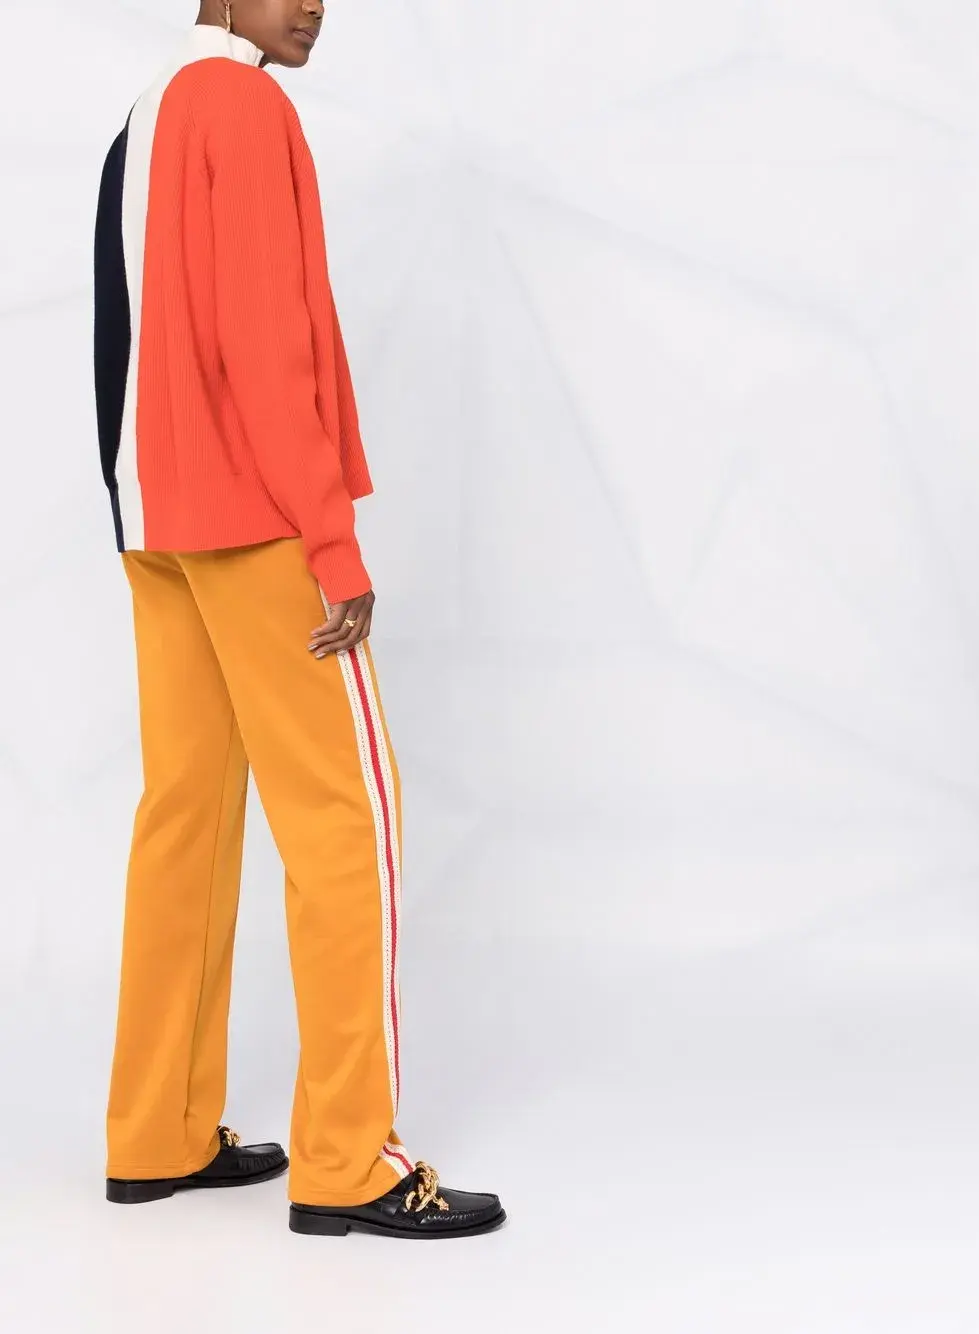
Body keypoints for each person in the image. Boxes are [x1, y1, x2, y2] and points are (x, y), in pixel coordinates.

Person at [92, 0, 505, 1240]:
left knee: (185, 816)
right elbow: (263, 342)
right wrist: (331, 539)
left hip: (158, 522)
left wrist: (136, 511)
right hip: (258, 521)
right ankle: (347, 1157)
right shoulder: (246, 105)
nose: (316, 4)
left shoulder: (144, 113)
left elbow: (118, 338)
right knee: (346, 819)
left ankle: (155, 1131)